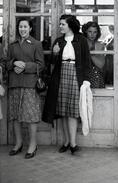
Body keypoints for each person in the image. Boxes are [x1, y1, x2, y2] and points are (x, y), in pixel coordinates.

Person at [42, 14, 91, 154]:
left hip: (76, 75)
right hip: (60, 75)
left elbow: (87, 61)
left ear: (70, 25)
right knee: (63, 111)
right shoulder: (58, 40)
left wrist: (86, 80)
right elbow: (50, 63)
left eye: (63, 24)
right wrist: (55, 53)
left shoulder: (81, 40)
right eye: (60, 24)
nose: (60, 26)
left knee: (73, 112)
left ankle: (74, 144)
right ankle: (67, 142)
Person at [6, 18, 44, 159]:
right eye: (20, 27)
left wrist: (25, 66)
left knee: (30, 117)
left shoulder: (36, 44)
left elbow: (41, 65)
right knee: (15, 116)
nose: (22, 29)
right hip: (14, 83)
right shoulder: (13, 45)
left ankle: (33, 145)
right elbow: (6, 63)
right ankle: (18, 143)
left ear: (30, 29)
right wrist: (14, 63)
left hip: (30, 84)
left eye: (25, 27)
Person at [82, 21, 105, 88]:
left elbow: (100, 65)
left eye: (95, 32)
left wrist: (90, 54)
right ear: (86, 31)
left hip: (96, 76)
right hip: (82, 75)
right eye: (90, 31)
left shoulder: (100, 45)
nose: (92, 34)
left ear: (97, 33)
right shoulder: (81, 43)